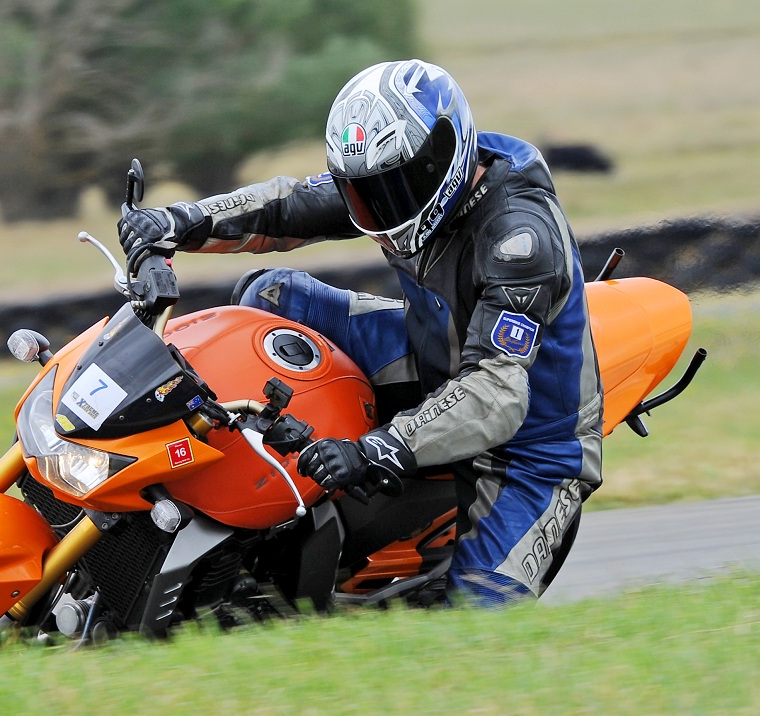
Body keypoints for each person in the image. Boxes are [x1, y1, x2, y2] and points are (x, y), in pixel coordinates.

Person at [118, 59, 603, 606]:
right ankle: (245, 469)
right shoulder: (399, 174)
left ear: (444, 157)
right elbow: (289, 207)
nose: (379, 208)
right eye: (364, 192)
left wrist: (375, 451)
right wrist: (178, 222)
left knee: (477, 621)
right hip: (429, 349)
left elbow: (497, 395)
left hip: (529, 442)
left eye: (394, 189)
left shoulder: (519, 239)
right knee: (270, 296)